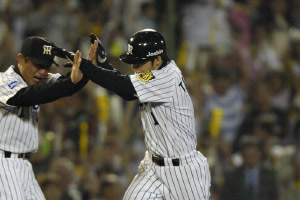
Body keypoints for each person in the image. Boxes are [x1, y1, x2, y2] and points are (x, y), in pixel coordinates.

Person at [73, 29, 211, 199]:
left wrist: (86, 66)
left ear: (158, 59)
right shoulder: (158, 71)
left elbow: (124, 86)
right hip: (152, 167)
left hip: (184, 172)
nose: (134, 67)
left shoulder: (167, 78)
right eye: (133, 62)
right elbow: (127, 92)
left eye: (139, 63)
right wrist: (103, 64)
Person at [0, 36, 87, 199]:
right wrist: (67, 84)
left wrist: (86, 66)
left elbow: (70, 83)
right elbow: (26, 97)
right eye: (38, 65)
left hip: (24, 165)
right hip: (4, 164)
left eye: (47, 66)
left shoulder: (40, 80)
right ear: (21, 59)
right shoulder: (4, 80)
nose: (43, 72)